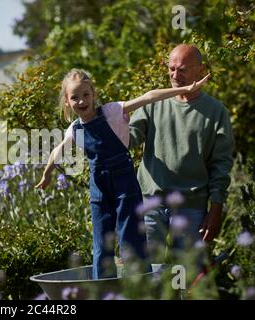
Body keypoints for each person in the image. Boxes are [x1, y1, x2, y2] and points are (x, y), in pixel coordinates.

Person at [35, 68, 210, 279]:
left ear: (93, 95)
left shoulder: (111, 112)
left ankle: (139, 283)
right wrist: (47, 174)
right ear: (67, 102)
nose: (81, 101)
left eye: (85, 95)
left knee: (130, 237)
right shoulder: (74, 129)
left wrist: (185, 88)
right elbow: (58, 150)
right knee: (101, 241)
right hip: (99, 189)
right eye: (75, 98)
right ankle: (103, 287)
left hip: (124, 185)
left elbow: (148, 97)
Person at [128, 44, 235, 266]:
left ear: (200, 69)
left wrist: (216, 210)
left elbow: (221, 165)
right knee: (147, 278)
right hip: (151, 204)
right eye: (171, 69)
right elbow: (128, 140)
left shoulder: (216, 112)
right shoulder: (153, 103)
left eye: (183, 69)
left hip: (191, 206)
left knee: (187, 278)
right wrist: (104, 119)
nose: (175, 75)